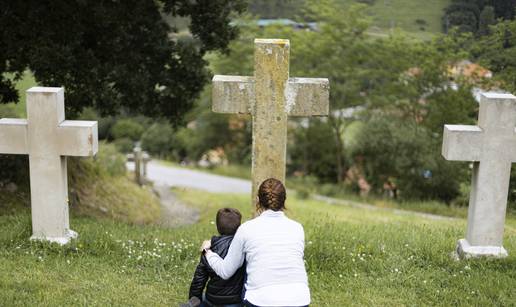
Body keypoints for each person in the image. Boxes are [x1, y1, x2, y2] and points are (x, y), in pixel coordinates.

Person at [202, 178, 310, 307]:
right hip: (300, 300)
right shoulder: (297, 228)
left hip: (262, 301)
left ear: (258, 200)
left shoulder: (247, 229)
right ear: (284, 200)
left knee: (249, 263)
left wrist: (208, 252)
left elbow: (225, 271)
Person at [187, 208, 246, 307]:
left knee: (203, 299)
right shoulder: (243, 247)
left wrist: (194, 298)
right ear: (239, 227)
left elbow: (199, 278)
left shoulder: (208, 248)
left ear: (218, 227)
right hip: (236, 300)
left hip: (212, 299)